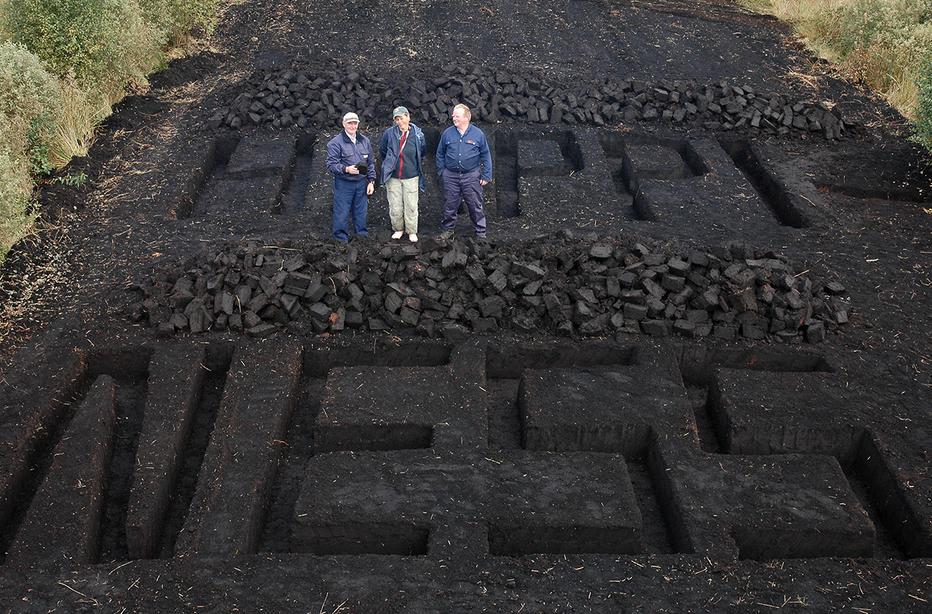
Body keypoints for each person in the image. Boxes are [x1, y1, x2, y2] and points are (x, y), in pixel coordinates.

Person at [436, 103, 493, 239]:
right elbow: (440, 154)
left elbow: (486, 155)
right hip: (451, 176)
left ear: (466, 118)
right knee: (450, 204)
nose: (453, 117)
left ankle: (480, 232)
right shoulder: (447, 133)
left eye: (456, 115)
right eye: (453, 115)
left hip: (471, 176)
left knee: (475, 204)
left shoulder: (478, 134)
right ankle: (448, 229)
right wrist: (442, 172)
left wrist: (486, 175)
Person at [326, 111, 376, 243]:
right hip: (344, 184)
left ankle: (361, 238)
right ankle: (341, 241)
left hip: (361, 183)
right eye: (349, 123)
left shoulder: (365, 141)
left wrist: (371, 181)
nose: (352, 126)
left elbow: (370, 163)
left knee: (361, 212)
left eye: (355, 123)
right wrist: (346, 169)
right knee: (342, 212)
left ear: (358, 124)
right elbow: (331, 164)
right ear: (343, 124)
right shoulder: (335, 143)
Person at [379, 106, 427, 243]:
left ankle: (411, 231)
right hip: (393, 177)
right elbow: (383, 151)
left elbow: (422, 152)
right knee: (395, 205)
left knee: (411, 205)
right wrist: (389, 166)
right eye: (397, 119)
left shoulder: (418, 134)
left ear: (408, 117)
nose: (399, 122)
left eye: (401, 118)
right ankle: (398, 229)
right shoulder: (389, 133)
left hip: (411, 176)